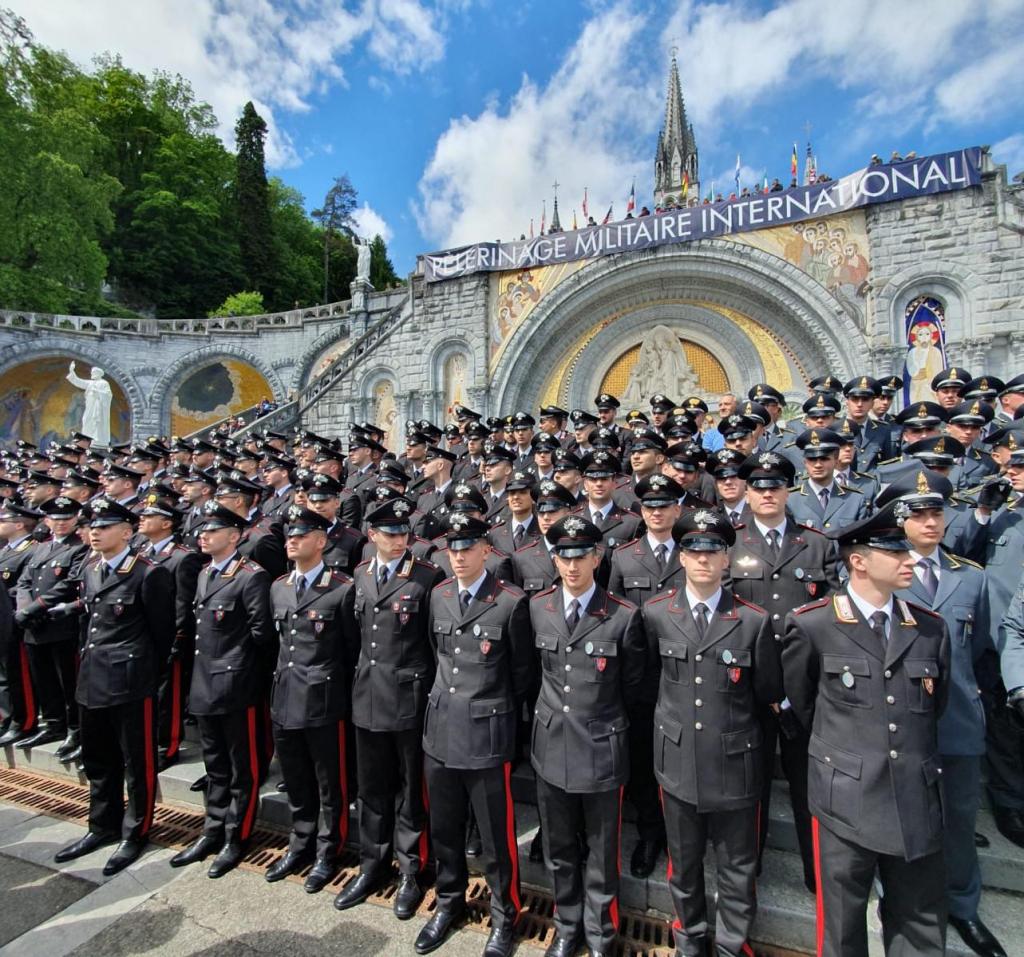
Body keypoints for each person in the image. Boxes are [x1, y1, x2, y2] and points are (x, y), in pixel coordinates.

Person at [782, 501, 951, 956]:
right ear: (858, 560)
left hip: (914, 797)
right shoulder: (813, 625)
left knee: (920, 925)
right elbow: (803, 704)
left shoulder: (931, 629)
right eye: (895, 553)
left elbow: (935, 708)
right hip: (846, 798)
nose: (910, 560)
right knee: (842, 927)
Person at [878, 472, 1007, 957]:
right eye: (918, 514)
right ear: (899, 521)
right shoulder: (883, 573)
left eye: (936, 513)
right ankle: (908, 905)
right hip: (899, 721)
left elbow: (983, 652)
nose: (930, 523)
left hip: (956, 719)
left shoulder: (971, 576)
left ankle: (963, 907)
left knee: (957, 817)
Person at [645, 509, 782, 957]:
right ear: (681, 558)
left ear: (727, 559)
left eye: (713, 551)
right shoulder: (656, 614)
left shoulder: (753, 620)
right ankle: (689, 937)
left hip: (734, 762)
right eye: (693, 551)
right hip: (678, 759)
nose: (703, 560)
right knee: (683, 864)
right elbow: (648, 681)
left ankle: (730, 943)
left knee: (737, 866)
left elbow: (765, 694)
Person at [416, 514, 533, 957]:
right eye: (453, 549)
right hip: (441, 730)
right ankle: (449, 903)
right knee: (444, 829)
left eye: (468, 548)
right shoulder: (440, 595)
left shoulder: (509, 602)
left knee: (495, 838)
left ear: (487, 550)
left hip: (486, 734)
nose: (459, 556)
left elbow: (521, 675)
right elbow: (436, 655)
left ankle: (506, 915)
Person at [529, 516, 645, 957]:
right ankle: (566, 925)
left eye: (581, 556)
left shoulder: (623, 615)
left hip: (600, 748)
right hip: (550, 745)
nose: (572, 566)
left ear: (597, 558)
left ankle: (600, 935)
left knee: (601, 853)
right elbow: (530, 673)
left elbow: (633, 687)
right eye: (564, 556)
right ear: (554, 559)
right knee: (559, 848)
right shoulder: (538, 607)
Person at [333, 498, 444, 918]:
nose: (399, 540)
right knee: (373, 790)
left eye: (404, 533)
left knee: (411, 792)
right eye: (390, 533)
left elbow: (435, 645)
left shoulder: (427, 577)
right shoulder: (359, 576)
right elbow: (353, 639)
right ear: (373, 535)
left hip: (409, 699)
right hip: (367, 697)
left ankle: (411, 871)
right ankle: (371, 865)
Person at [53, 498, 174, 876]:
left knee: (137, 763)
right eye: (92, 526)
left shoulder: (148, 573)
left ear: (127, 531)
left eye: (104, 527)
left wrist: (142, 675)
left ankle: (134, 832)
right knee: (99, 760)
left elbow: (161, 634)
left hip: (130, 682)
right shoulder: (91, 568)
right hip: (92, 679)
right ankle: (101, 826)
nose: (94, 532)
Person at [170, 501, 274, 878]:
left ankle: (237, 835)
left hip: (236, 686)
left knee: (241, 767)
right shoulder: (203, 574)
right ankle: (212, 828)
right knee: (214, 765)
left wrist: (244, 678)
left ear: (234, 536)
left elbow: (262, 636)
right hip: (204, 683)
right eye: (201, 530)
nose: (203, 535)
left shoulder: (251, 577)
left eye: (212, 531)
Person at [265, 506, 357, 894]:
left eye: (301, 535)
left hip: (323, 700)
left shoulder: (342, 587)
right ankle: (299, 842)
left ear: (321, 542)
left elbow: (352, 650)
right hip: (284, 696)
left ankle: (327, 849)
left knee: (328, 783)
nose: (292, 540)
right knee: (297, 780)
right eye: (290, 534)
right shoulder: (279, 586)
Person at [15, 497, 90, 758]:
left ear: (75, 521)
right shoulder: (40, 548)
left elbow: (69, 584)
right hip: (35, 626)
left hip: (61, 625)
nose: (60, 524)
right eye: (55, 520)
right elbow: (25, 581)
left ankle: (74, 729)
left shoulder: (80, 548)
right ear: (47, 521)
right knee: (44, 679)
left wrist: (34, 608)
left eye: (66, 519)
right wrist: (24, 608)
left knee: (67, 680)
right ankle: (54, 723)